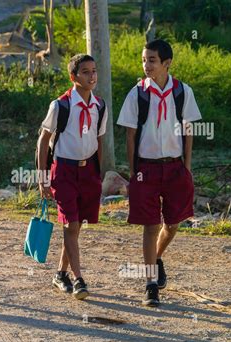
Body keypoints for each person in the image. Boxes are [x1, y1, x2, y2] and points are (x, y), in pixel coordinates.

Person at [117, 39, 202, 307]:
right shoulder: (137, 93)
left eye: (152, 60)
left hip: (175, 167)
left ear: (167, 63)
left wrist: (186, 167)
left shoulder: (183, 92)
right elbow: (130, 136)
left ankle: (155, 257)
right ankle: (150, 284)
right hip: (147, 167)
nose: (146, 65)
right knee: (150, 225)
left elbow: (188, 130)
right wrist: (133, 171)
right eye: (143, 60)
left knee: (173, 223)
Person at [37, 54, 108, 300]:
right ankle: (79, 280)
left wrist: (99, 173)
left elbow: (99, 140)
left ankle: (60, 274)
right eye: (86, 72)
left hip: (88, 171)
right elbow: (43, 140)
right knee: (71, 224)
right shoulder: (60, 106)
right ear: (73, 77)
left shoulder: (100, 105)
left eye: (94, 71)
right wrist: (42, 177)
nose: (92, 76)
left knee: (76, 226)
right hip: (64, 170)